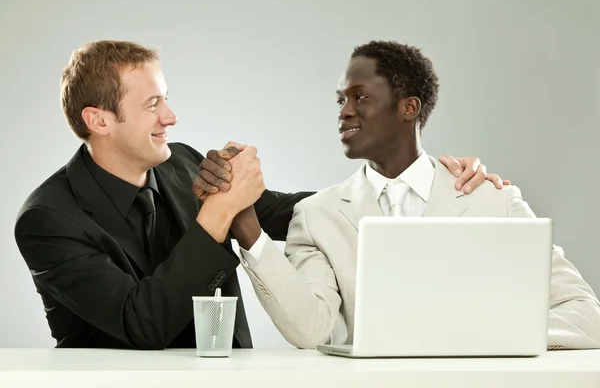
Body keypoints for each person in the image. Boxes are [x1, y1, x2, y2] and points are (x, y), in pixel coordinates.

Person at [12, 40, 500, 350]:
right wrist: (221, 212)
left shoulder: (180, 161)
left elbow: (294, 213)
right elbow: (144, 324)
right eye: (153, 103)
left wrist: (412, 179)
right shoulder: (47, 220)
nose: (171, 117)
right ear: (98, 120)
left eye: (167, 97)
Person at [195, 40, 600, 350]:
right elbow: (310, 329)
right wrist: (247, 228)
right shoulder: (317, 216)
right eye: (341, 99)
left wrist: (493, 337)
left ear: (409, 108)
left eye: (361, 97)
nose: (344, 111)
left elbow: (586, 314)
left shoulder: (492, 201)